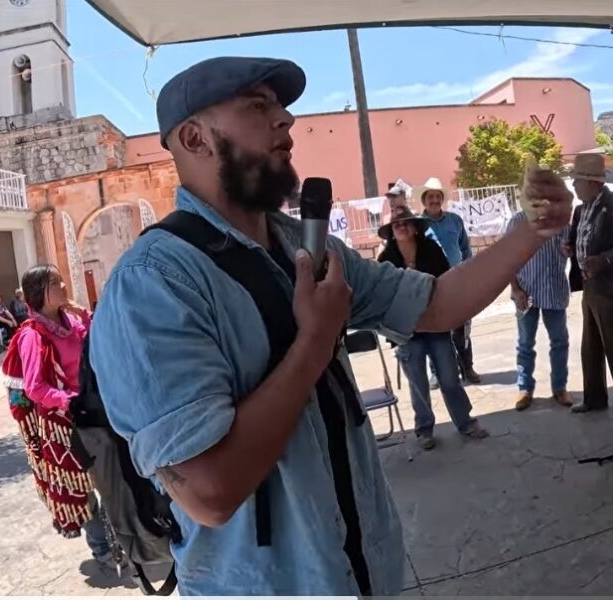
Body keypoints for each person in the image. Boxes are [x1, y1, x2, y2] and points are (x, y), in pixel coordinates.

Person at [88, 56, 572, 596]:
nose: (286, 120)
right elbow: (209, 492)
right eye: (257, 106)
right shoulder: (153, 284)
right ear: (194, 138)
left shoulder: (305, 246)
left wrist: (532, 231)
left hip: (367, 573)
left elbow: (436, 304)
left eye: (280, 106)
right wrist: (316, 340)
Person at [0, 264, 118, 567]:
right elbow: (35, 388)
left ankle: (121, 538)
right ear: (39, 292)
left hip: (94, 410)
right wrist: (70, 400)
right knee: (83, 488)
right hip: (65, 423)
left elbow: (96, 344)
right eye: (55, 282)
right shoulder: (32, 336)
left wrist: (85, 317)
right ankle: (102, 548)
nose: (64, 285)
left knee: (110, 479)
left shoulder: (71, 321)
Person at [377, 207, 488, 448]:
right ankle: (424, 431)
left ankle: (466, 423)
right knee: (418, 384)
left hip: (437, 326)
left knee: (449, 378)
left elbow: (446, 282)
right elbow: (381, 295)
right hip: (407, 331)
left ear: (415, 228)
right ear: (391, 232)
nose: (401, 226)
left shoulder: (431, 249)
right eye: (396, 224)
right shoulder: (385, 260)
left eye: (406, 222)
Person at [566, 154, 613, 412]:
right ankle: (594, 398)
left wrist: (604, 260)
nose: (574, 186)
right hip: (590, 285)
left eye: (577, 181)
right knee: (591, 346)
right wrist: (570, 248)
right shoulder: (581, 210)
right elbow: (580, 238)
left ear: (592, 182)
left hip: (610, 286)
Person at [417, 176, 482, 385]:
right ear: (424, 200)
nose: (434, 200)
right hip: (431, 285)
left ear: (442, 199)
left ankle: (467, 368)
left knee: (462, 328)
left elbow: (465, 249)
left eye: (437, 196)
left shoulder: (455, 220)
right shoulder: (417, 225)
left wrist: (469, 274)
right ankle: (436, 372)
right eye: (430, 197)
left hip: (457, 282)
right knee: (435, 329)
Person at [507, 209, 571, 410]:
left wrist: (569, 250)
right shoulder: (518, 221)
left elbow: (569, 249)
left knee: (559, 341)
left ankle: (559, 387)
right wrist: (515, 289)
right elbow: (507, 258)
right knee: (525, 343)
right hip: (526, 292)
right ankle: (525, 388)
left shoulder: (561, 221)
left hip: (554, 290)